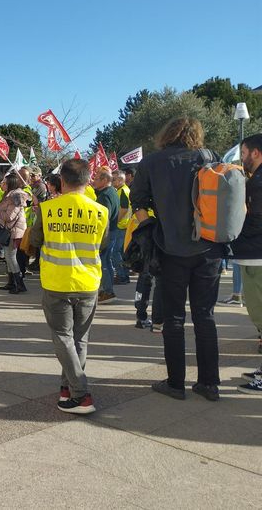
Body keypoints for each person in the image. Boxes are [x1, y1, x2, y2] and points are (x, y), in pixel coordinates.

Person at [132, 117, 223, 402]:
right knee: (205, 317)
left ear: (166, 133)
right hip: (209, 248)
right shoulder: (209, 157)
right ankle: (209, 384)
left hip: (170, 248)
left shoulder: (152, 162)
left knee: (173, 318)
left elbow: (138, 203)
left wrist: (149, 231)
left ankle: (176, 383)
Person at [29, 158, 109, 414]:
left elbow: (35, 240)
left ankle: (81, 393)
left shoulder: (48, 208)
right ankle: (68, 390)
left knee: (63, 337)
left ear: (61, 181)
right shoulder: (100, 211)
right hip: (87, 282)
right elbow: (103, 244)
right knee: (79, 339)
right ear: (88, 181)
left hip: (57, 280)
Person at [230, 133, 262, 394]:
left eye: (243, 152)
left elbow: (256, 220)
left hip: (257, 256)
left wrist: (235, 234)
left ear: (255, 153)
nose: (242, 158)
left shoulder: (259, 182)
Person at [0, 173, 31, 293]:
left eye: (4, 182)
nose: (1, 184)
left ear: (9, 184)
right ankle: (11, 283)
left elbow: (9, 217)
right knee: (9, 257)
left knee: (11, 257)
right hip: (9, 230)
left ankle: (20, 284)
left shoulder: (15, 197)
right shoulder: (9, 196)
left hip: (13, 232)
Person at [93, 169, 119, 303]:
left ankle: (108, 291)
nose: (94, 180)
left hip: (107, 233)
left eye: (96, 178)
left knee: (103, 262)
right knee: (107, 261)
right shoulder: (112, 192)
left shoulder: (105, 195)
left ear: (104, 180)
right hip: (112, 231)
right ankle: (107, 290)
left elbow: (104, 217)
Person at [111, 170, 131, 285]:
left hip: (120, 225)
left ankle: (122, 275)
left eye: (114, 179)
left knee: (116, 252)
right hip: (125, 225)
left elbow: (124, 209)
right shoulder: (124, 190)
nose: (112, 181)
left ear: (120, 180)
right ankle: (124, 275)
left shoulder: (123, 191)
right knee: (121, 253)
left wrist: (115, 220)